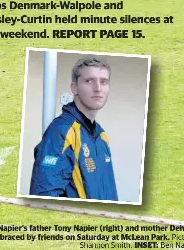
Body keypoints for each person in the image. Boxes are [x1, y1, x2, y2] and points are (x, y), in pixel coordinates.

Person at [29, 57, 118, 201]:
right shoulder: (62, 131)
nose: (98, 88)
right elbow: (44, 198)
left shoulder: (101, 136)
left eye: (103, 82)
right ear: (74, 88)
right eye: (89, 81)